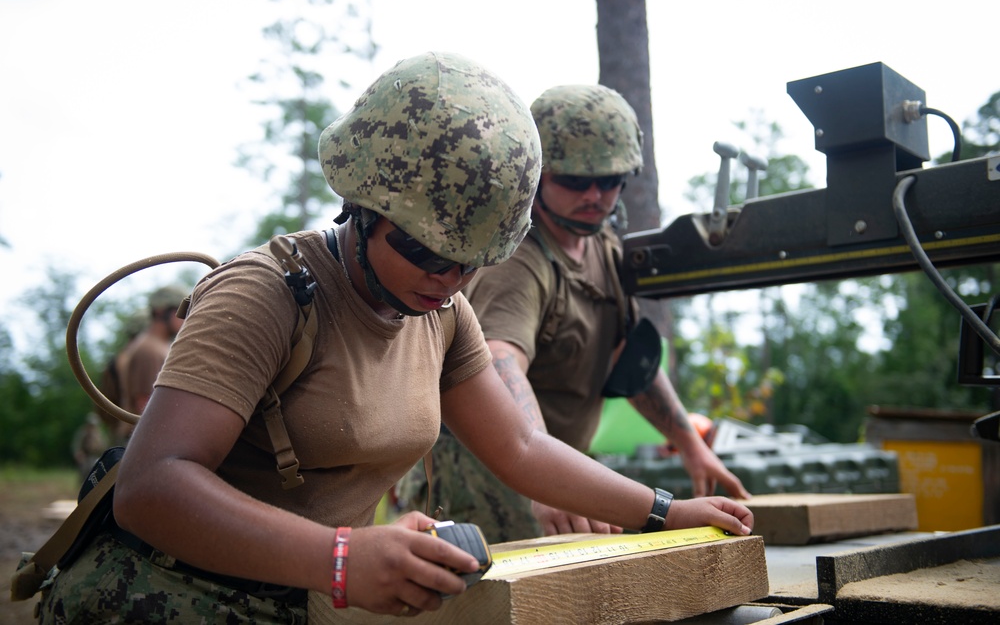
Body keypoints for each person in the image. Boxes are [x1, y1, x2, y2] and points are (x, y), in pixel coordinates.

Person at [37, 53, 753, 623]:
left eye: (471, 260)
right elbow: (152, 486)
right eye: (425, 251)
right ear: (362, 207)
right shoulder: (264, 294)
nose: (447, 278)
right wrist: (342, 558)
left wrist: (663, 510)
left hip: (308, 602)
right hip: (162, 598)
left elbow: (523, 449)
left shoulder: (443, 313)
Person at [398, 84, 751, 543]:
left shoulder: (603, 247)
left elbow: (627, 361)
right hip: (485, 480)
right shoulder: (518, 260)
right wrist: (545, 485)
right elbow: (501, 363)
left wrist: (690, 446)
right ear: (539, 176)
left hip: (549, 473)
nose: (594, 195)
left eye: (608, 181)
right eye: (574, 180)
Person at [106, 285, 186, 443]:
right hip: (147, 440)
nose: (185, 317)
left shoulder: (159, 346)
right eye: (180, 310)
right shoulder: (148, 350)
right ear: (160, 312)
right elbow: (144, 404)